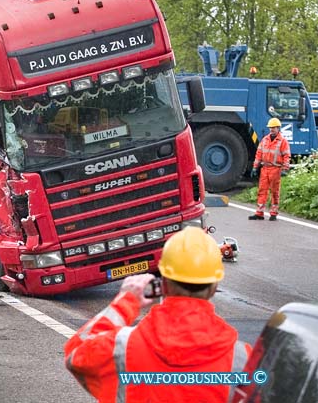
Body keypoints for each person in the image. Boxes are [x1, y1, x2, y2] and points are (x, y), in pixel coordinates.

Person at [65, 227, 252, 402]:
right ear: (214, 286)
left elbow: (76, 354)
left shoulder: (121, 347)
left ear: (164, 282)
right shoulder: (242, 359)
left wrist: (126, 302)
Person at [249, 117, 291, 221]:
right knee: (262, 191)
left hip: (276, 169)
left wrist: (285, 169)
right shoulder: (265, 140)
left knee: (274, 192)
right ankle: (259, 213)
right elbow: (259, 154)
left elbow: (286, 156)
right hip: (265, 169)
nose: (271, 129)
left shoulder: (282, 141)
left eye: (274, 128)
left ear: (278, 128)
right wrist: (255, 167)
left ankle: (273, 213)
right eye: (270, 128)